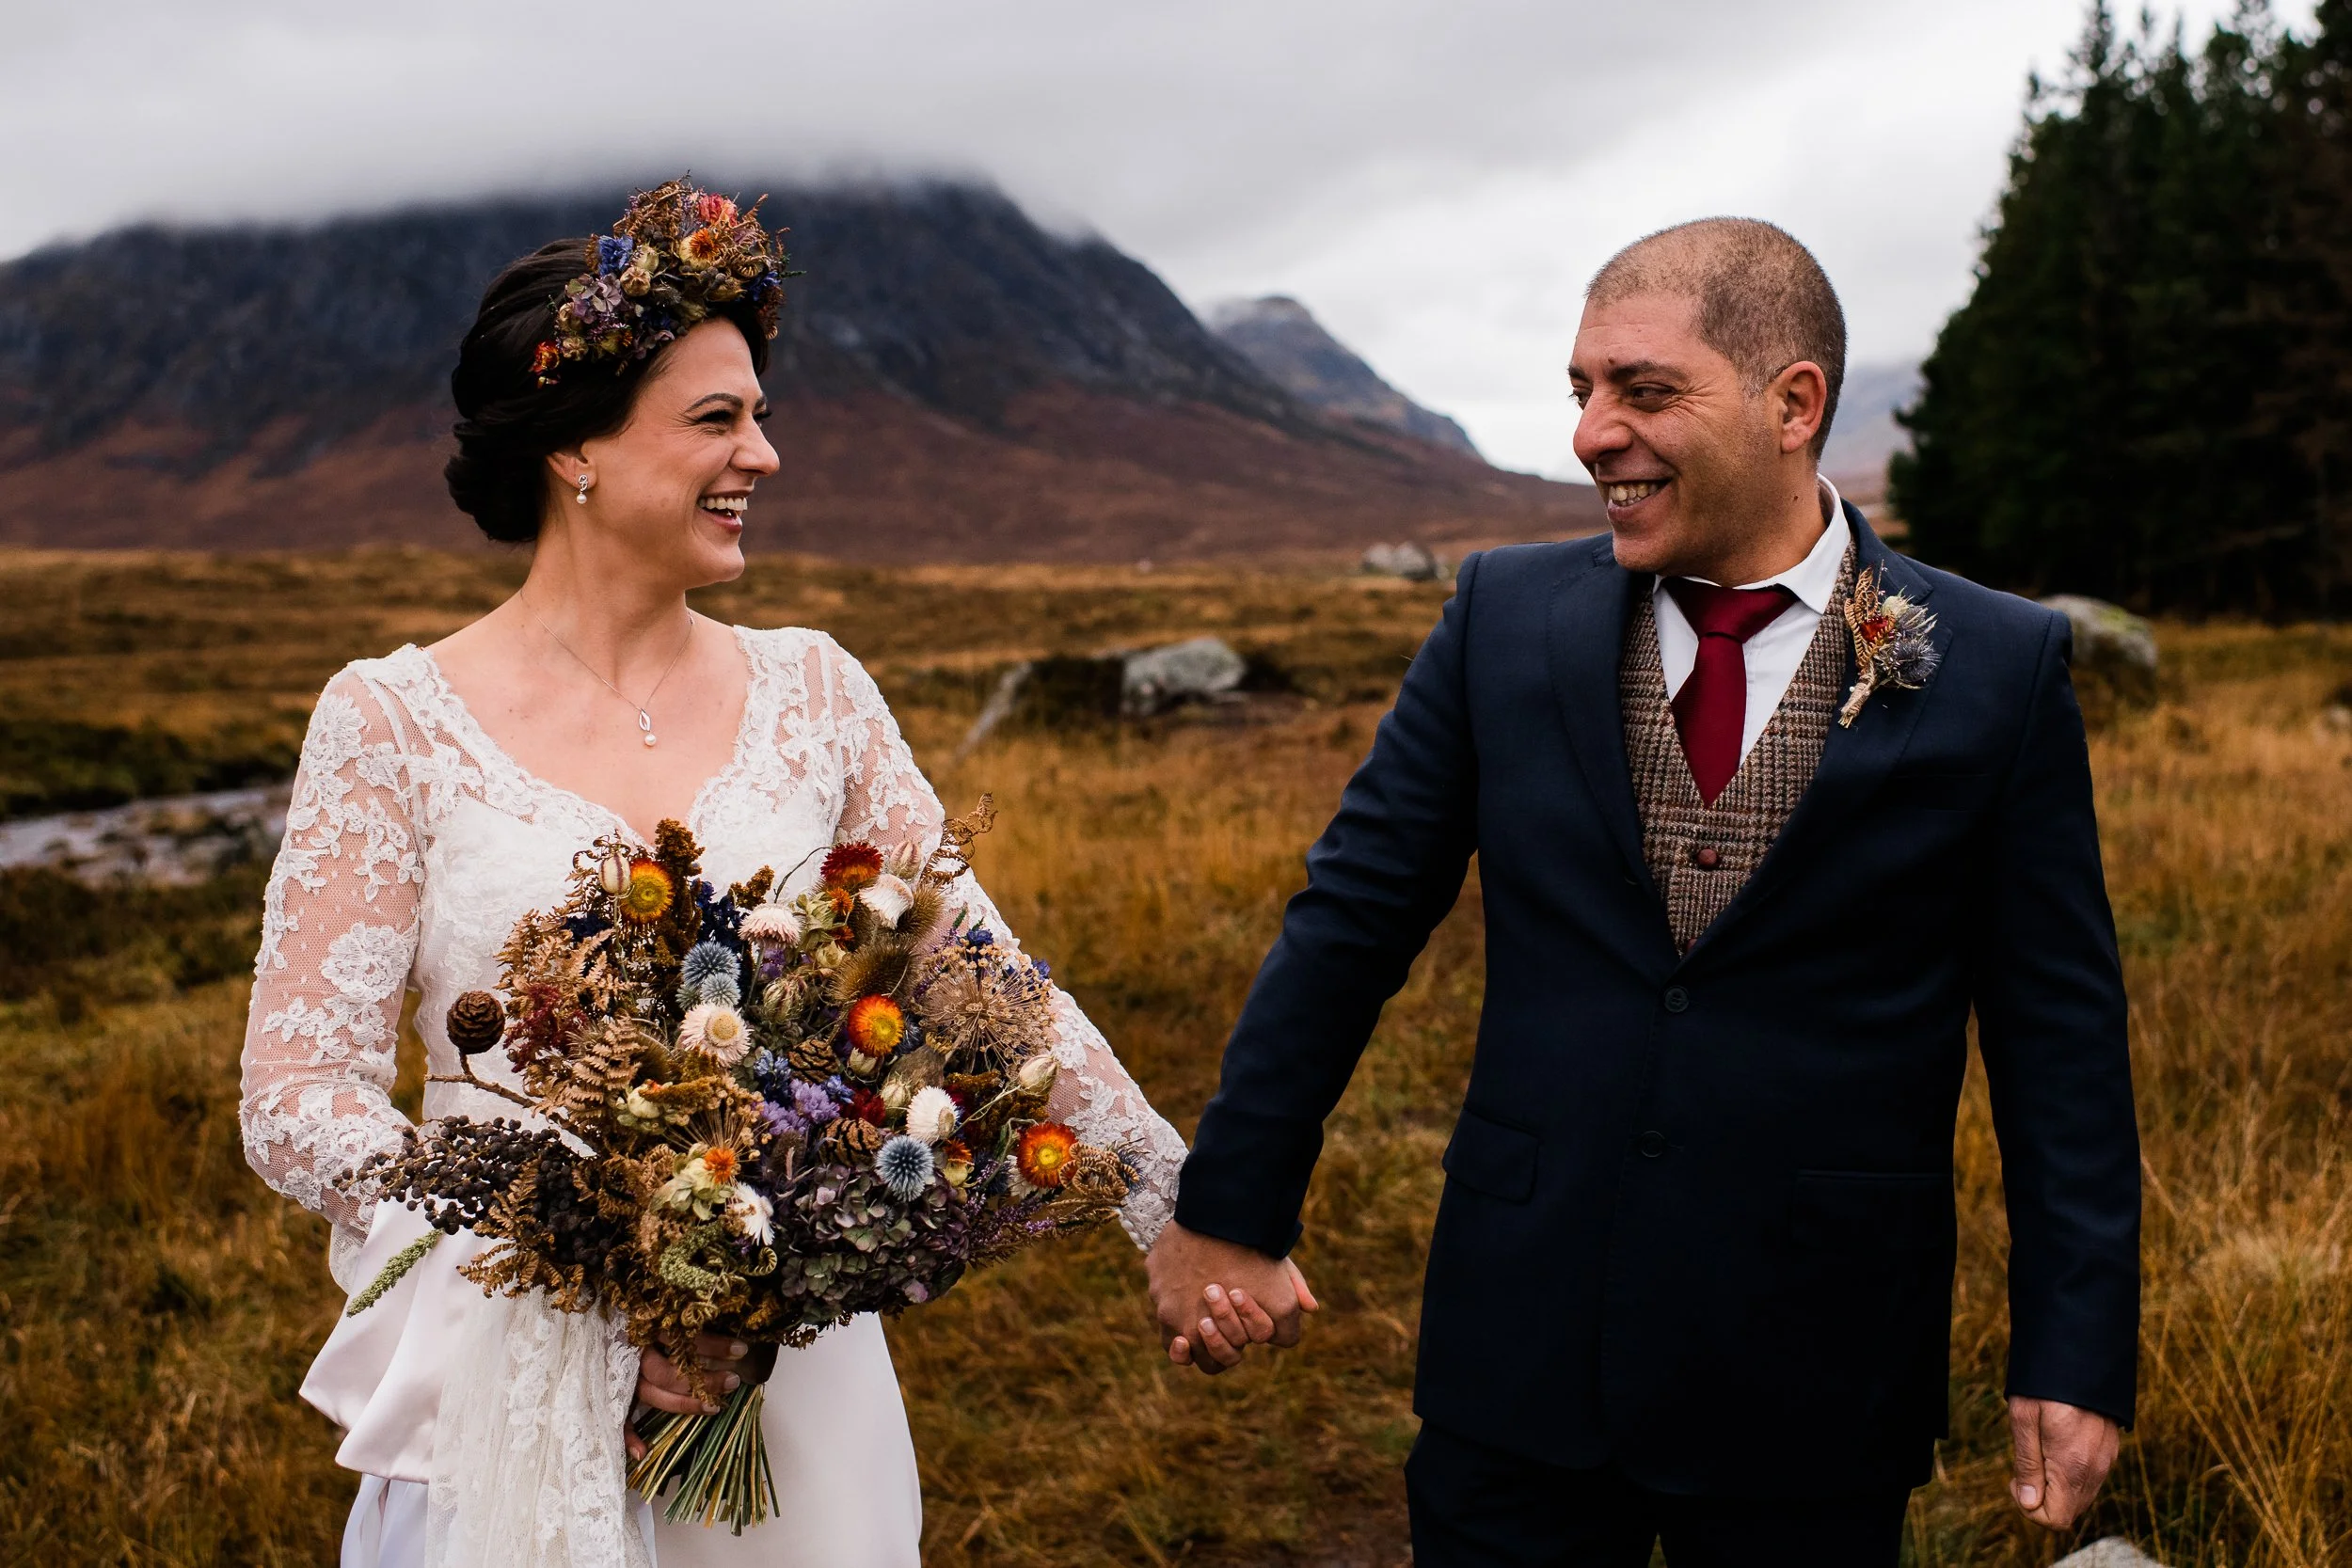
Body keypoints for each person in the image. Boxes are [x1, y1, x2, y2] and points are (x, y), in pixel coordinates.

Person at [1147, 218, 2139, 1567]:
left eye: (1645, 390)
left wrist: (2075, 1347)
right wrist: (1230, 1206)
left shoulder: (1997, 667)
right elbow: (1351, 920)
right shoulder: (1502, 618)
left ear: (1795, 404)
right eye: (1582, 392)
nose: (1592, 434)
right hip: (1521, 1349)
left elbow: (2058, 1041)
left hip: (1816, 1365)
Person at [236, 181, 1187, 1568]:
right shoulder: (390, 721)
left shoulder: (818, 692)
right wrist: (589, 1245)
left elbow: (983, 983)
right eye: (716, 420)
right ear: (575, 447)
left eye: (758, 413)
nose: (768, 454)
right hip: (506, 1368)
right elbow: (294, 1096)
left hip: (792, 1403)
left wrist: (1175, 1201)